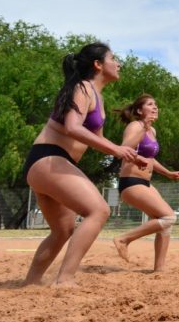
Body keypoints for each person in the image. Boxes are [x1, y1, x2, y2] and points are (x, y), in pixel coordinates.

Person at [22, 43, 138, 286]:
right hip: (49, 158)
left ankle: (31, 283)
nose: (118, 64)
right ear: (98, 64)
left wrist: (126, 152)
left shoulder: (97, 97)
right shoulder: (83, 88)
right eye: (113, 58)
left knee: (63, 230)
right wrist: (115, 149)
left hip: (48, 164)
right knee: (99, 210)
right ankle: (65, 279)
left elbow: (99, 138)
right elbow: (73, 127)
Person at [112, 94, 179, 272]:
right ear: (139, 110)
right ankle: (124, 239)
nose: (155, 107)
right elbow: (124, 148)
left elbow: (151, 159)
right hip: (130, 182)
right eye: (150, 104)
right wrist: (143, 127)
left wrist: (168, 173)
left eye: (156, 105)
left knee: (165, 223)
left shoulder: (152, 131)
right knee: (169, 217)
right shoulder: (135, 126)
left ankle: (159, 269)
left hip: (145, 182)